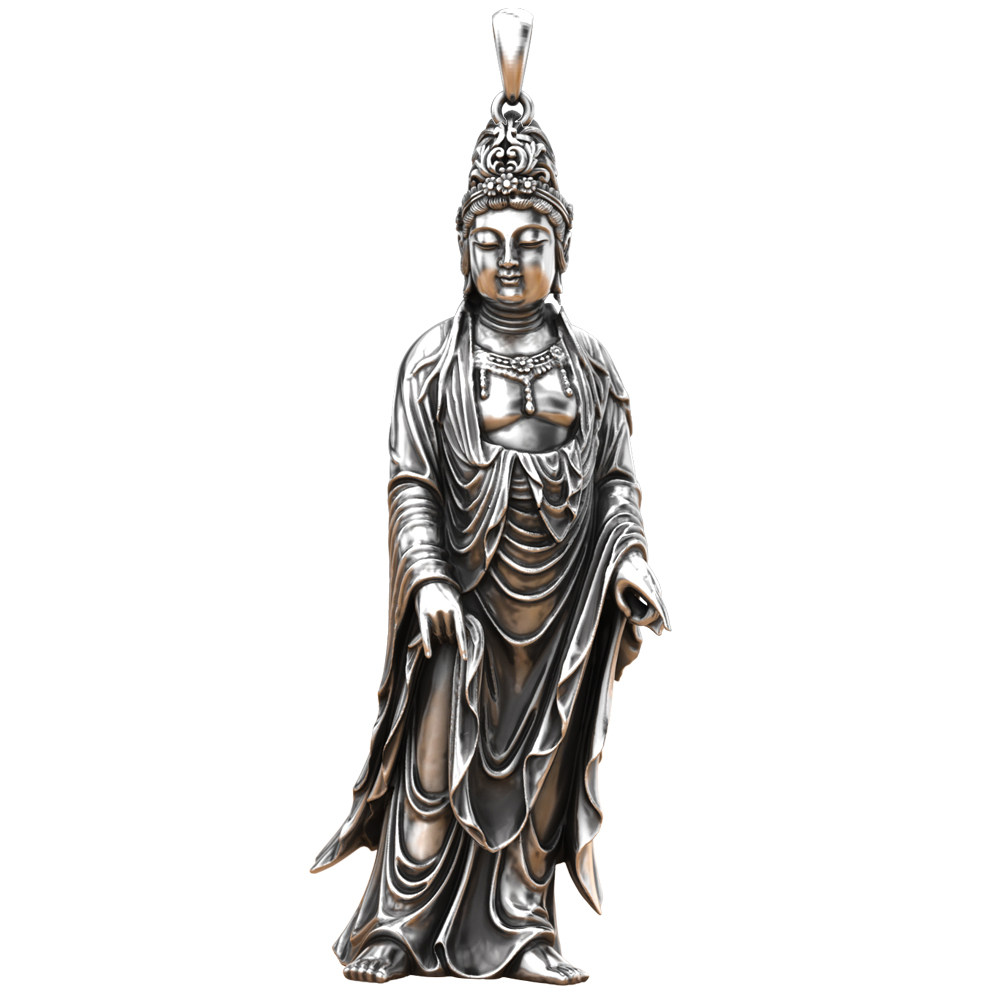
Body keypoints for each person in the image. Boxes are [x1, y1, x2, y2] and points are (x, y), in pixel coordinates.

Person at [310, 38, 669, 987]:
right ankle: (398, 920)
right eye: (491, 242)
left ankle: (522, 925)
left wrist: (629, 557)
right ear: (463, 247)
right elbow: (412, 482)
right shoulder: (433, 364)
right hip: (462, 598)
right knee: (435, 763)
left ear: (563, 248)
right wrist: (428, 576)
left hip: (561, 604)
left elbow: (617, 481)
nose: (509, 261)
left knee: (538, 770)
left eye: (530, 242)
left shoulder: (592, 368)